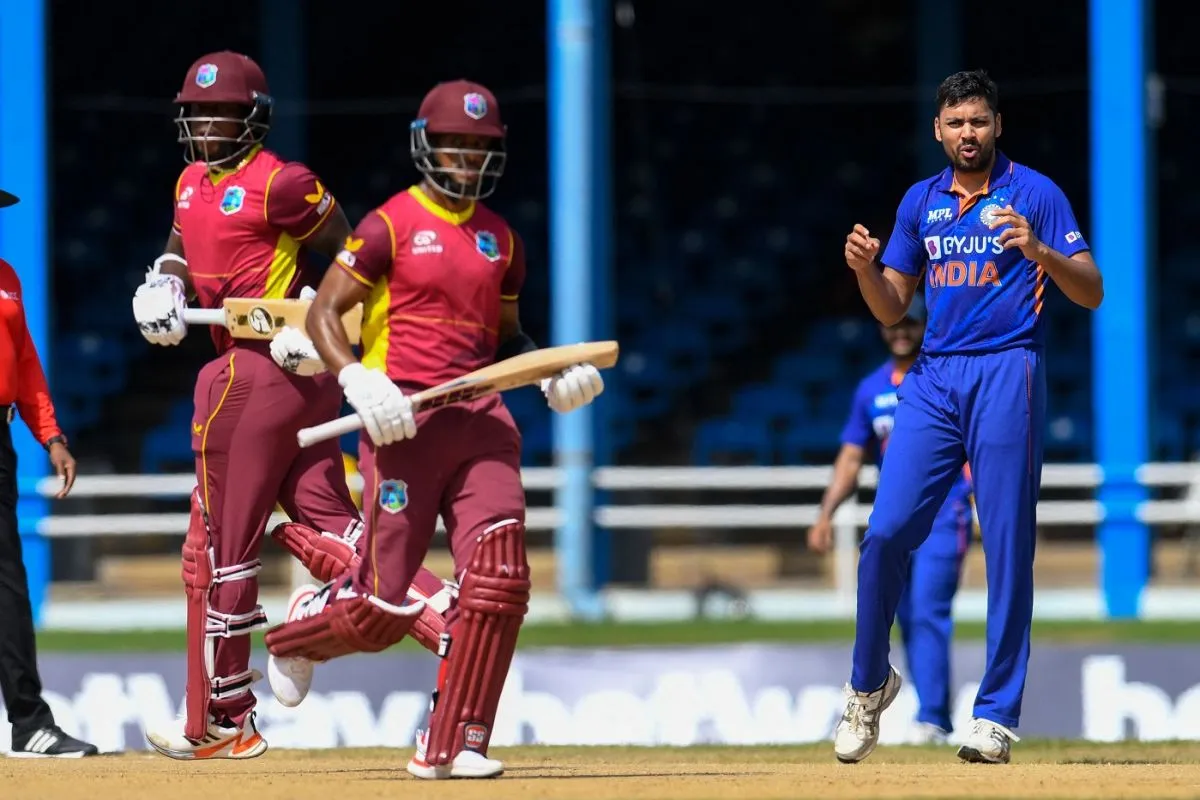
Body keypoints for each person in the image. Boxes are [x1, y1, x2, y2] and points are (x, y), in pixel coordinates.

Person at [259, 79, 605, 780]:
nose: (466, 158)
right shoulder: (387, 226)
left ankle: (454, 744)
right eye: (454, 144)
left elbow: (507, 340)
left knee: (501, 583)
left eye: (479, 147)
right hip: (401, 425)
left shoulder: (500, 240)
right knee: (384, 608)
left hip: (481, 426)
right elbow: (326, 313)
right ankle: (298, 632)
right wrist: (357, 377)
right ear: (426, 145)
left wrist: (546, 375)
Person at [132, 51, 453, 761]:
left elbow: (354, 260)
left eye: (222, 113)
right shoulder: (189, 182)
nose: (208, 125)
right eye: (199, 113)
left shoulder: (283, 183)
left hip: (260, 365)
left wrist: (314, 318)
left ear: (253, 117)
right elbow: (182, 244)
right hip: (261, 372)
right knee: (333, 527)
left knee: (216, 545)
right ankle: (451, 622)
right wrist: (166, 281)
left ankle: (221, 719)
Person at [834, 69, 1103, 765]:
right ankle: (867, 688)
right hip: (932, 374)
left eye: (978, 121)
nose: (968, 134)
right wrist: (866, 270)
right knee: (886, 532)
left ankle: (994, 714)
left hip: (1008, 367)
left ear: (997, 125)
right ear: (939, 131)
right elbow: (894, 306)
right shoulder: (920, 202)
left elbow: (1093, 289)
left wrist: (1038, 251)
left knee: (1008, 541)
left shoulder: (1035, 193)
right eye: (955, 124)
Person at [808, 296, 972, 745]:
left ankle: (935, 718)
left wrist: (983, 503)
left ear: (926, 325)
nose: (901, 331)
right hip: (896, 518)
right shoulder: (870, 389)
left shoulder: (946, 377)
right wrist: (827, 512)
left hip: (944, 513)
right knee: (900, 615)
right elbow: (850, 456)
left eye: (911, 323)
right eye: (893, 324)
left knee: (929, 613)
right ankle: (917, 707)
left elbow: (976, 443)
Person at [0, 189, 98, 759]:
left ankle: (29, 724)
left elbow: (27, 361)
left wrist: (51, 436)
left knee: (8, 586)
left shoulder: (6, 276)